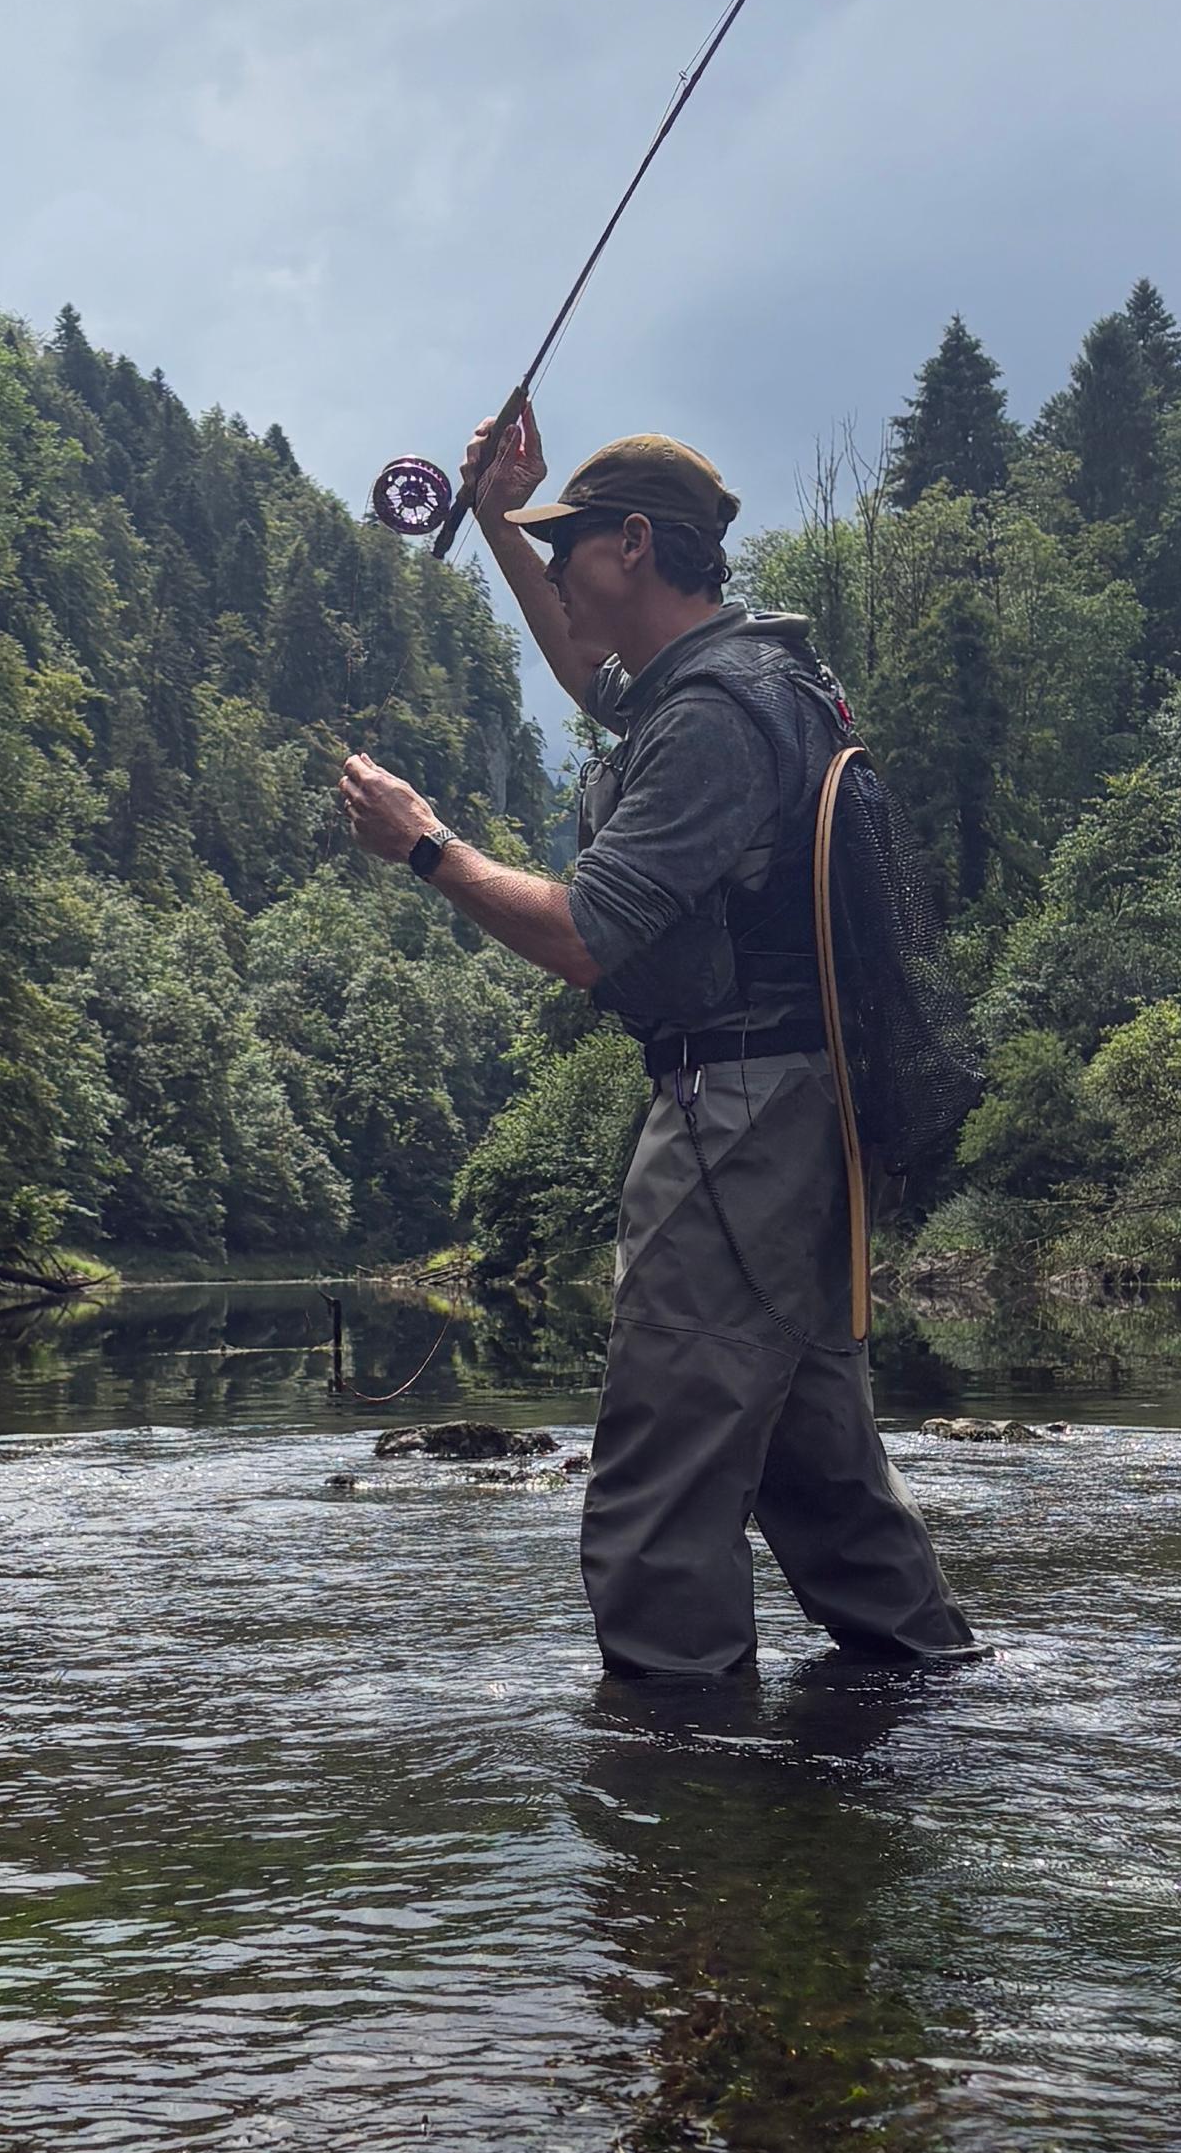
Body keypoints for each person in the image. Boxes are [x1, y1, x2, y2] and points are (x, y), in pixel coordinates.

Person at [336, 400, 978, 1690]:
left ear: (635, 545)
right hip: (804, 1110)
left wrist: (423, 844)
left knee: (659, 1492)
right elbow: (593, 673)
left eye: (572, 547)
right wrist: (512, 520)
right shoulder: (751, 679)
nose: (560, 571)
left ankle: (679, 1809)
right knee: (818, 1469)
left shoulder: (711, 722)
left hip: (738, 1116)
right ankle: (929, 1712)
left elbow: (589, 935)